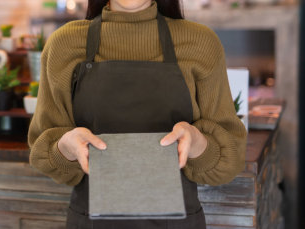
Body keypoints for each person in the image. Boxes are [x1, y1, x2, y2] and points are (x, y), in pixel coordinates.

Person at [28, 0, 247, 228]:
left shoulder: (201, 43)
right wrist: (66, 147)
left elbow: (229, 159)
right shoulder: (63, 44)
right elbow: (44, 151)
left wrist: (198, 144)